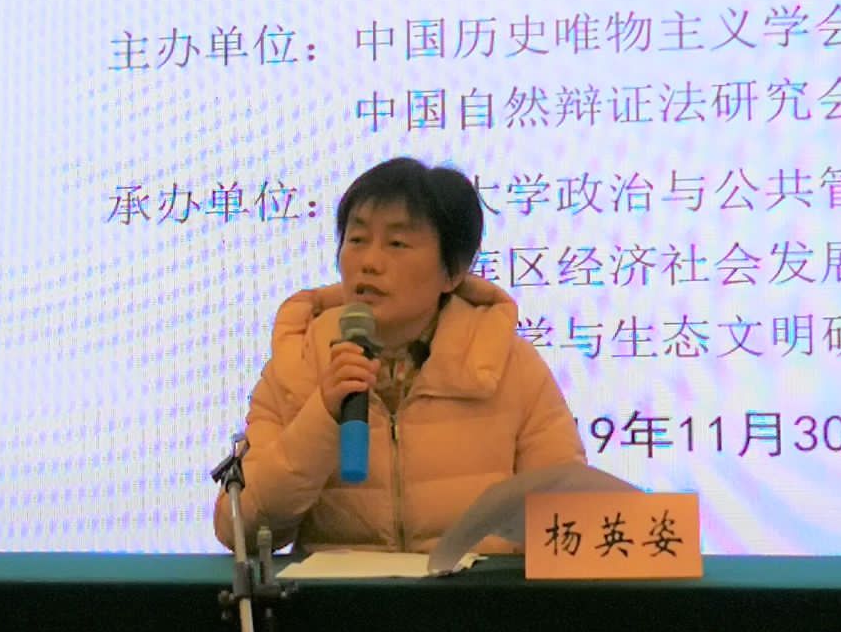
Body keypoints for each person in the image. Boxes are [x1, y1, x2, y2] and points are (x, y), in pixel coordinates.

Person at [212, 157, 585, 554]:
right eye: (357, 240)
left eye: (397, 244)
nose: (369, 262)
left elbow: (569, 525)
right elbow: (242, 528)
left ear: (453, 272)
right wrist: (321, 416)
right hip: (341, 593)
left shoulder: (508, 365)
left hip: (473, 590)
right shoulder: (298, 365)